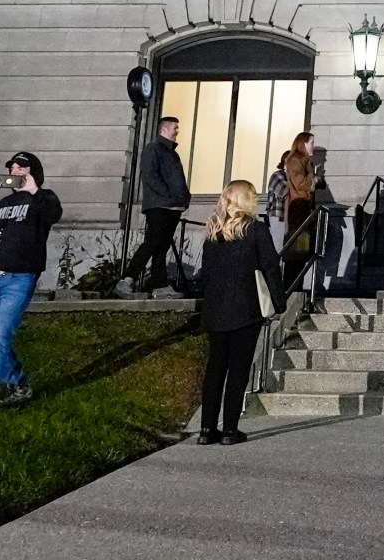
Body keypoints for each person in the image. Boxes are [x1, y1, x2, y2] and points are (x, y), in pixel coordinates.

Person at [0, 152, 62, 416]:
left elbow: (53, 215)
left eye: (21, 167)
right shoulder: (2, 204)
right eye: (12, 167)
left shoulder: (44, 198)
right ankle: (21, 385)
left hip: (19, 279)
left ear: (33, 172)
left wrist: (34, 191)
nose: (15, 170)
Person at [193, 179, 285, 445]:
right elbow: (270, 268)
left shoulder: (214, 232)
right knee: (238, 371)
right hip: (246, 309)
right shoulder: (256, 230)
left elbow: (206, 272)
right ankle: (230, 430)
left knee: (215, 369)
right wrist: (278, 303)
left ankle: (206, 429)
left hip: (215, 308)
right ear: (248, 200)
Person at [119, 116, 189, 297]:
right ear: (164, 129)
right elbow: (150, 176)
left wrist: (183, 198)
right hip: (160, 206)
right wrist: (170, 195)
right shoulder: (153, 149)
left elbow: (177, 180)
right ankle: (127, 278)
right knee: (153, 243)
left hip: (172, 207)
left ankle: (160, 285)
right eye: (175, 127)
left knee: (161, 246)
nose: (177, 131)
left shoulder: (172, 153)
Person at [266, 136, 319, 287]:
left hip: (293, 215)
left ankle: (292, 286)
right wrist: (311, 181)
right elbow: (286, 191)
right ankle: (275, 285)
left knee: (296, 253)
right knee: (280, 250)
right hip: (279, 216)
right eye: (311, 143)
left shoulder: (299, 167)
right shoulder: (278, 176)